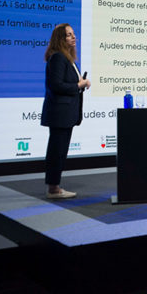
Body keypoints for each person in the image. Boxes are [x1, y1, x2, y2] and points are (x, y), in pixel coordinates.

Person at [40, 23, 90, 199]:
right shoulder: (58, 58)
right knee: (57, 151)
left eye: (73, 34)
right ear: (60, 39)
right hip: (59, 113)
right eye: (69, 35)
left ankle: (55, 186)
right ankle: (53, 189)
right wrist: (79, 85)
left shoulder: (68, 59)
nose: (73, 37)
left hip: (66, 113)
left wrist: (80, 84)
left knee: (60, 151)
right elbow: (56, 85)